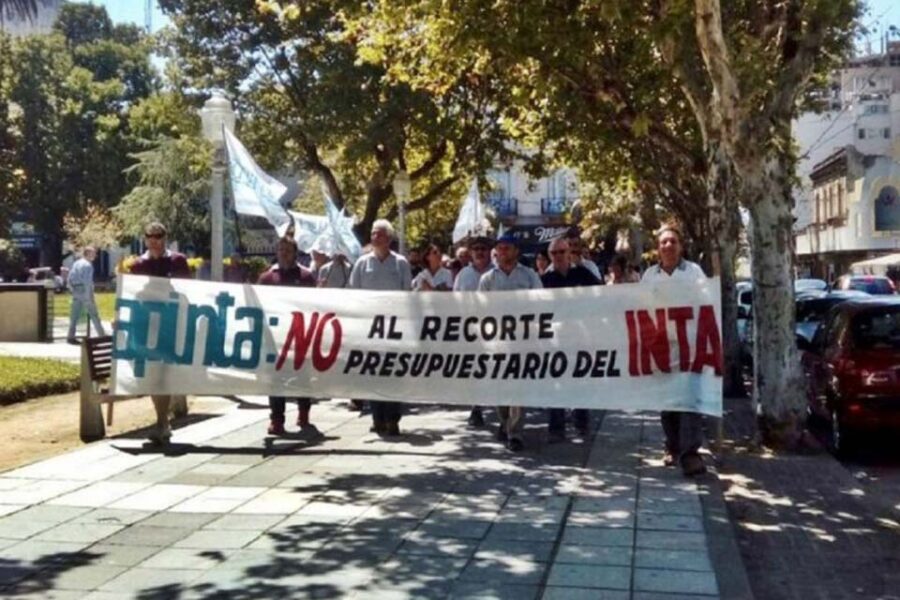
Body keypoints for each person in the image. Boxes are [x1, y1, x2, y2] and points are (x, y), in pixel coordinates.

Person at [641, 223, 708, 477]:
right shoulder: (650, 276)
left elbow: (706, 304)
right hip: (662, 349)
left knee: (689, 400)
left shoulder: (694, 273)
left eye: (673, 241)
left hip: (690, 346)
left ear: (681, 246)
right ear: (657, 249)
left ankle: (691, 453)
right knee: (669, 402)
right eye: (663, 242)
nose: (668, 246)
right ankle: (672, 445)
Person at [478, 232, 543, 451]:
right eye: (499, 248)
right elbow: (480, 309)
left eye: (506, 248)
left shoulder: (529, 276)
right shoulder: (488, 279)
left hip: (522, 341)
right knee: (500, 387)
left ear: (516, 251)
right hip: (497, 341)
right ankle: (504, 421)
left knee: (517, 387)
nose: (502, 251)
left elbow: (541, 302)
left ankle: (515, 433)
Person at [128, 222, 191, 444]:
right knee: (155, 373)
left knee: (164, 373)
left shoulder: (178, 261)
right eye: (150, 236)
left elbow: (188, 291)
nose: (154, 240)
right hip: (148, 325)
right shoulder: (137, 265)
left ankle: (162, 422)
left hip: (172, 323)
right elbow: (132, 295)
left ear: (165, 237)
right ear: (145, 238)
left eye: (159, 236)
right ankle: (162, 421)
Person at [349, 219, 412, 436]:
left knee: (394, 375)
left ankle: (393, 419)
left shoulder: (401, 263)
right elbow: (353, 294)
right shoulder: (361, 263)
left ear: (389, 237)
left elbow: (408, 295)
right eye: (374, 233)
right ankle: (377, 419)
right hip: (369, 329)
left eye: (380, 233)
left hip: (394, 329)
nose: (375, 237)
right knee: (373, 374)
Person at [541, 237, 601, 442]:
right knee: (555, 383)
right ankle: (556, 428)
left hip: (581, 336)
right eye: (553, 253)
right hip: (555, 338)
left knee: (581, 380)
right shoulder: (545, 280)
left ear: (569, 253)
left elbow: (602, 297)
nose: (557, 256)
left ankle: (582, 425)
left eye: (561, 252)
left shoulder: (583, 274)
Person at [258, 237, 319, 437]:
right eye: (280, 249)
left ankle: (304, 412)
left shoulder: (306, 277)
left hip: (300, 335)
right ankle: (277, 419)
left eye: (287, 250)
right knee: (275, 378)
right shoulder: (267, 278)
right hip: (275, 337)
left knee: (302, 375)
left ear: (294, 253)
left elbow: (315, 306)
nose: (283, 253)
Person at [453, 235, 495, 427]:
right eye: (476, 248)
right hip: (471, 329)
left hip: (496, 329)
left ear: (489, 251)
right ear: (470, 253)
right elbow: (455, 301)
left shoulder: (497, 272)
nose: (480, 252)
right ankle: (475, 408)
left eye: (483, 248)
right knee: (474, 370)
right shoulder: (463, 275)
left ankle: (500, 409)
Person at [66, 246, 105, 343]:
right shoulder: (88, 265)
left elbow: (69, 278)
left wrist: (72, 290)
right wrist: (89, 296)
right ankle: (102, 336)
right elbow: (87, 282)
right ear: (88, 253)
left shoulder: (76, 263)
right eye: (93, 253)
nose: (95, 255)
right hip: (85, 291)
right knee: (94, 314)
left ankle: (70, 337)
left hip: (76, 291)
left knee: (74, 315)